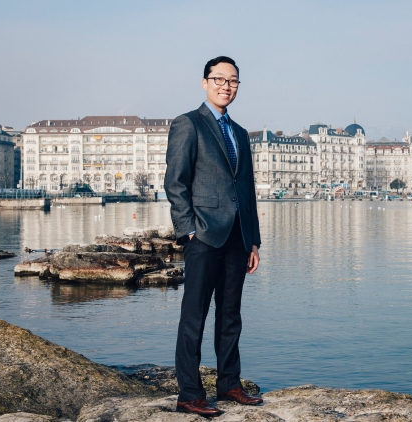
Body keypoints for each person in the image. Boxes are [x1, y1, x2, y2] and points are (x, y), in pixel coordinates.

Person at [165, 56, 262, 417]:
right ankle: (189, 393)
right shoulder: (188, 124)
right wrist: (189, 230)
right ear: (205, 82)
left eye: (233, 81)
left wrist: (253, 240)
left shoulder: (239, 133)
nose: (226, 85)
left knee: (231, 315)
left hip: (237, 237)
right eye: (219, 79)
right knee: (194, 316)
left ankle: (229, 385)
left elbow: (246, 189)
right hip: (203, 235)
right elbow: (175, 183)